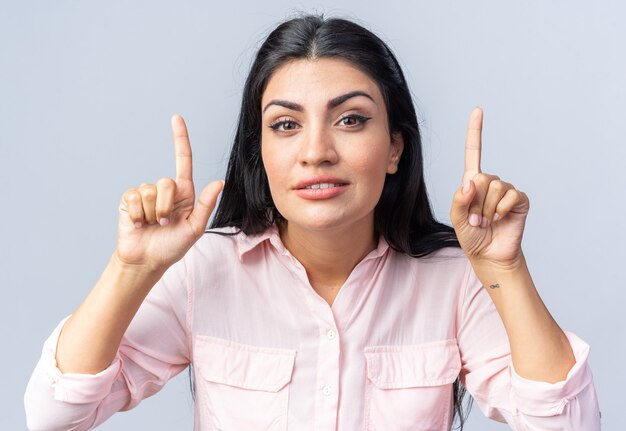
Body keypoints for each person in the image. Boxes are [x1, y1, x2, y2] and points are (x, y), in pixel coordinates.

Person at [24, 14, 600, 431]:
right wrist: (132, 269)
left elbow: (570, 427)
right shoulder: (204, 270)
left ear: (395, 148)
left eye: (350, 119)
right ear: (261, 152)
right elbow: (53, 416)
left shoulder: (455, 279)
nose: (317, 151)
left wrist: (507, 268)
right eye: (285, 125)